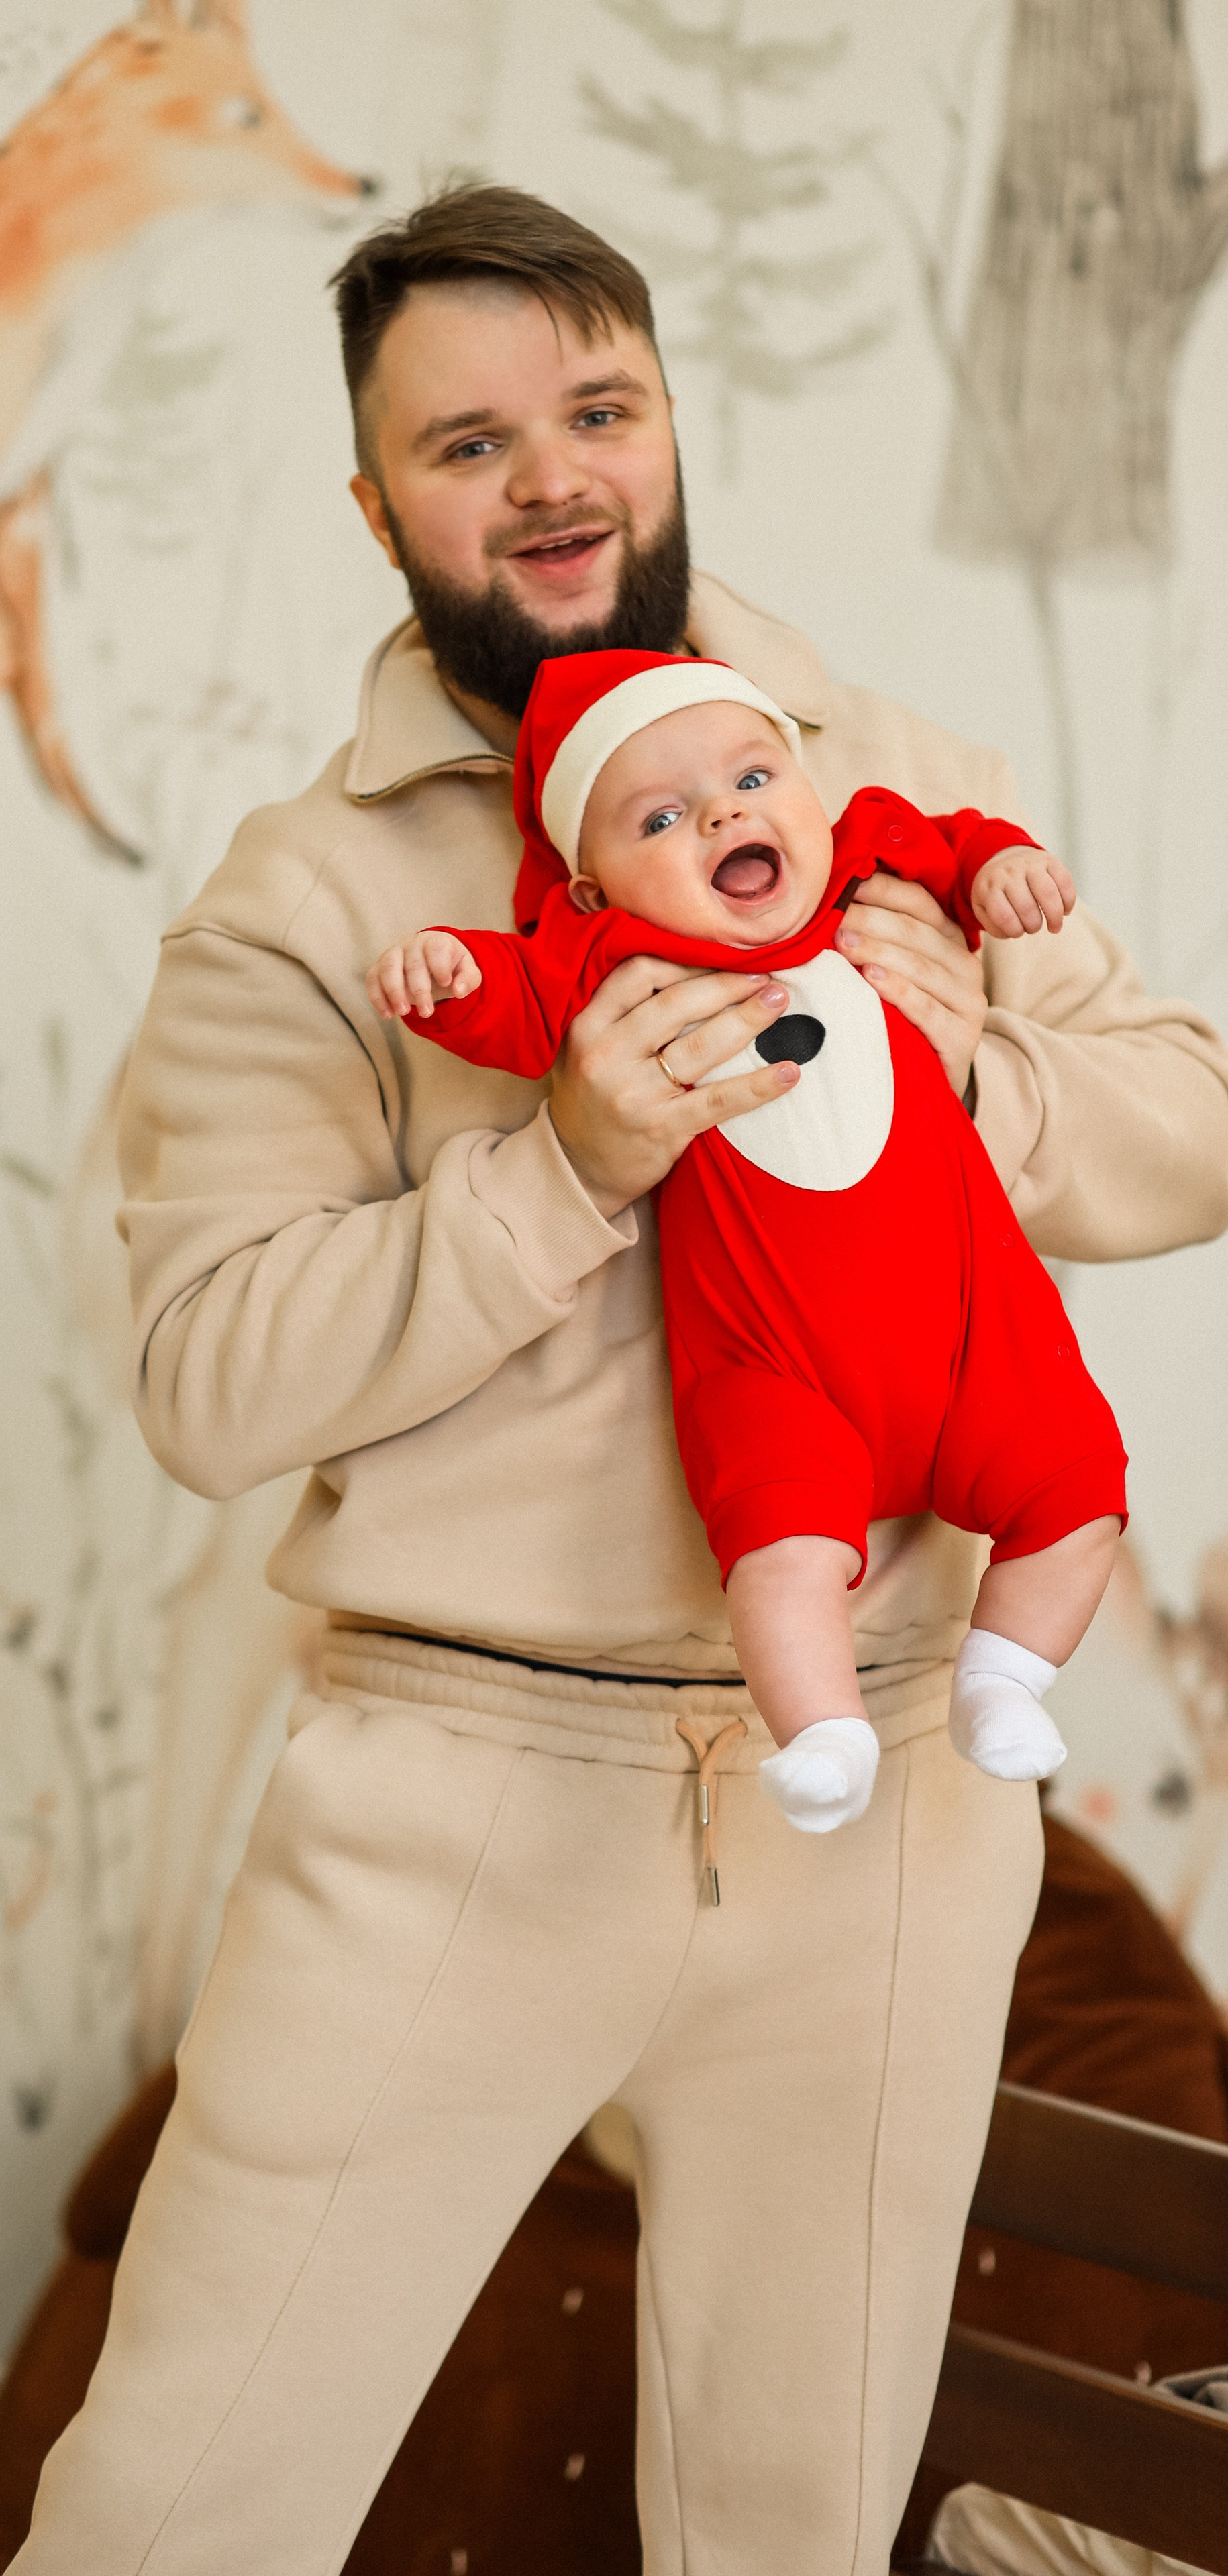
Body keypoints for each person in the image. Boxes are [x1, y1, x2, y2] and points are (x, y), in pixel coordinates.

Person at [9, 186, 1228, 2576]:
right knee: (170, 2526)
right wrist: (566, 1163)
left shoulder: (882, 781)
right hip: (466, 1789)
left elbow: (1189, 1105)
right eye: (469, 443)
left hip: (881, 1805)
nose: (551, 478)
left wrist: (951, 1088)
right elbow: (208, 1378)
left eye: (597, 410)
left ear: (668, 428)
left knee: (789, 2531)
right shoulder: (309, 904)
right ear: (379, 514)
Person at [369, 649, 1127, 1837]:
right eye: (662, 817)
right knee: (778, 1551)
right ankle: (822, 1731)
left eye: (754, 776)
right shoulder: (610, 968)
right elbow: (508, 1004)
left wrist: (1008, 868)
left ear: (811, 801)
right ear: (590, 891)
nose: (726, 812)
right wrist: (447, 973)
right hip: (777, 1366)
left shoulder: (869, 858)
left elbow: (966, 841)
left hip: (975, 1332)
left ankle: (1006, 1676)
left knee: (1079, 1484)